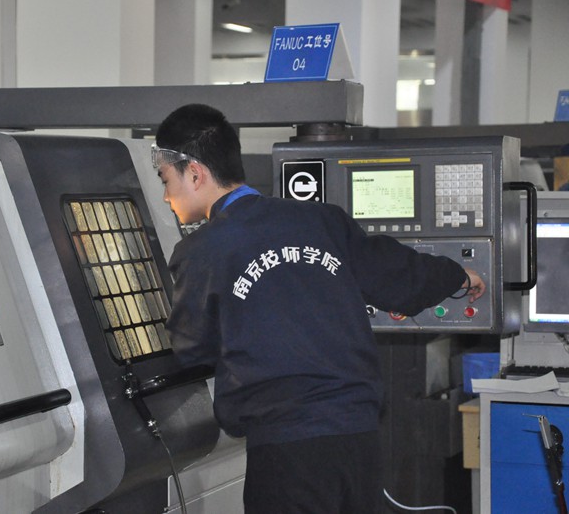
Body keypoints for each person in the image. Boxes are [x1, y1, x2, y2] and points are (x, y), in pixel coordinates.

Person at [153, 103, 486, 514]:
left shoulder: (202, 251)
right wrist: (459, 276)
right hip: (358, 440)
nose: (166, 196)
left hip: (286, 451)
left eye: (166, 179)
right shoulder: (322, 221)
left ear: (195, 172)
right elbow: (401, 276)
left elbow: (191, 348)